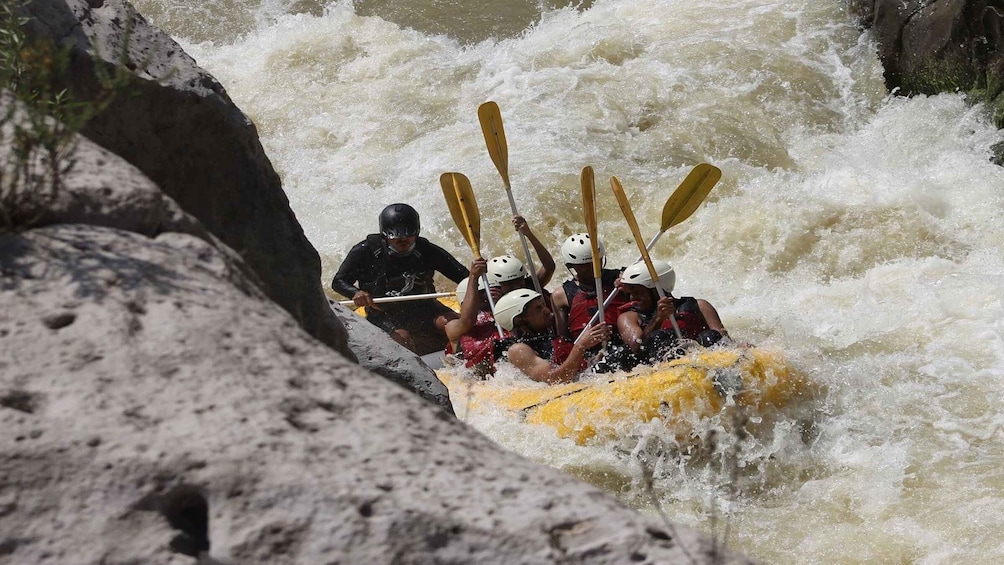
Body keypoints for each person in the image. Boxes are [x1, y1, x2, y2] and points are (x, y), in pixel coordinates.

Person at [332, 203, 468, 354]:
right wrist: (355, 293)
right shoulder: (365, 251)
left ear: (416, 232)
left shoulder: (426, 250)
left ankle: (464, 363)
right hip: (384, 314)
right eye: (396, 236)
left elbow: (463, 277)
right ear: (384, 234)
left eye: (408, 235)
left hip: (425, 308)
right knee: (401, 338)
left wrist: (477, 274)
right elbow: (339, 281)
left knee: (453, 323)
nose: (403, 240)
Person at [616, 259, 730, 366]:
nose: (632, 298)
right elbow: (636, 348)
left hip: (700, 362)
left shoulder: (700, 306)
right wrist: (658, 319)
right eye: (630, 293)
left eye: (637, 292)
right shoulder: (628, 317)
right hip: (660, 369)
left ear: (657, 289)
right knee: (658, 337)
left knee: (710, 336)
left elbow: (724, 340)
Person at [493, 289, 610, 384]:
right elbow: (554, 380)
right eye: (538, 309)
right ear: (519, 320)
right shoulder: (518, 350)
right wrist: (581, 346)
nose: (547, 311)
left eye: (543, 305)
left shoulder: (548, 337)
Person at [549, 233, 632, 341]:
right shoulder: (560, 295)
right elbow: (563, 339)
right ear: (571, 266)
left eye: (596, 263)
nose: (592, 269)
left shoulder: (621, 277)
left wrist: (630, 286)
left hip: (621, 340)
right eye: (585, 266)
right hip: (588, 349)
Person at [444, 257, 508, 374]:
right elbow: (468, 321)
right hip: (475, 374)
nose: (486, 297)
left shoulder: (503, 312)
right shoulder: (453, 326)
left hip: (505, 368)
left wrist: (501, 302)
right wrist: (473, 277)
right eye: (481, 294)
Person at [486, 215, 556, 295]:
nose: (517, 287)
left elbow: (549, 266)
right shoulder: (492, 302)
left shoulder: (531, 287)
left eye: (519, 280)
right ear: (495, 287)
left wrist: (528, 233)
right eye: (509, 284)